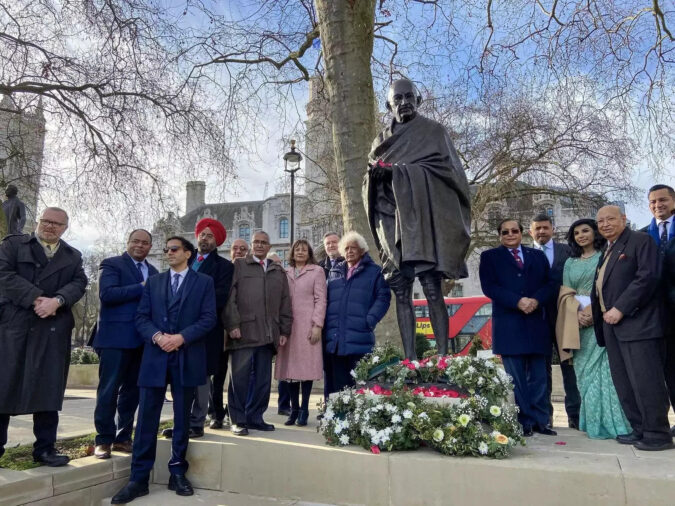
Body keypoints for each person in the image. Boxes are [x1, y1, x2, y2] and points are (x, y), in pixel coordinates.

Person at [363, 78, 471, 358]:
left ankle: (444, 358)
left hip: (424, 220)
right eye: (397, 99)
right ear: (389, 105)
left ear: (419, 100)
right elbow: (370, 177)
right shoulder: (380, 139)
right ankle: (410, 360)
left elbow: (450, 173)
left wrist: (396, 173)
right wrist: (374, 177)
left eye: (409, 97)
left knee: (432, 288)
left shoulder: (434, 132)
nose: (404, 103)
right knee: (401, 291)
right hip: (389, 218)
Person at [111, 236, 216, 503]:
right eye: (166, 249)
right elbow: (141, 317)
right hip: (155, 357)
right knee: (146, 418)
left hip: (187, 356)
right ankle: (138, 479)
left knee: (182, 419)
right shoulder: (154, 282)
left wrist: (181, 338)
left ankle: (177, 473)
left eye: (174, 249)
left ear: (188, 253)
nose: (168, 253)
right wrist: (158, 337)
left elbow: (208, 318)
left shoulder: (204, 282)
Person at [0, 207, 87, 466]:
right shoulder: (13, 245)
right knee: (4, 386)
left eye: (57, 223)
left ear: (65, 228)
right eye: (47, 221)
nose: (50, 226)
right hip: (14, 326)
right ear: (38, 221)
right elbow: (4, 274)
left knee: (48, 390)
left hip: (52, 328)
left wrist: (57, 301)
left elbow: (79, 283)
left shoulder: (73, 256)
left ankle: (45, 449)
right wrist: (37, 299)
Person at [591, 205, 673, 451]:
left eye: (610, 219)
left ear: (624, 219)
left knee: (646, 381)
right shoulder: (608, 249)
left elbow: (648, 277)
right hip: (612, 328)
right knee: (625, 383)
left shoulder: (640, 241)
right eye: (600, 221)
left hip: (638, 325)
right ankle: (640, 428)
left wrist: (621, 308)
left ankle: (657, 433)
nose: (605, 224)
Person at [479, 219, 557, 437]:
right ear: (499, 235)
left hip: (536, 323)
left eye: (514, 231)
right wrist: (518, 301)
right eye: (505, 232)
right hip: (509, 324)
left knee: (539, 377)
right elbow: (489, 287)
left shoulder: (537, 256)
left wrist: (535, 300)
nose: (510, 234)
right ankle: (524, 422)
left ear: (522, 233)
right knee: (516, 380)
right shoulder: (490, 257)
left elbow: (551, 283)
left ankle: (542, 421)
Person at [557, 219, 630, 439]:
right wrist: (577, 314)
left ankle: (616, 424)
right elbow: (566, 293)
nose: (581, 235)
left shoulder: (606, 255)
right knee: (584, 377)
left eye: (586, 230)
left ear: (595, 232)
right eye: (577, 232)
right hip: (578, 326)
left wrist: (593, 311)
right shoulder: (570, 263)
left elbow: (613, 286)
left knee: (608, 375)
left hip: (602, 323)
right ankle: (593, 425)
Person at [160, 219, 233, 439]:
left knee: (201, 378)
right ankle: (180, 422)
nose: (205, 238)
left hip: (205, 330)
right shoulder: (184, 261)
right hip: (176, 331)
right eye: (203, 234)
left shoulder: (225, 267)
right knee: (179, 378)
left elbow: (219, 298)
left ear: (217, 241)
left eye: (210, 236)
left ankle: (197, 421)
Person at [92, 229, 158, 459]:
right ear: (128, 242)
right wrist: (142, 286)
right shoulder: (111, 264)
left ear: (150, 246)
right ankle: (103, 440)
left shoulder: (154, 271)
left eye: (145, 243)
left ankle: (123, 438)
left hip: (142, 341)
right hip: (115, 338)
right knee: (108, 391)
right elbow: (107, 294)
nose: (140, 246)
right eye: (136, 241)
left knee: (132, 392)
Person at [223, 231, 292, 436]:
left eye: (264, 242)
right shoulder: (239, 265)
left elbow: (285, 303)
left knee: (263, 381)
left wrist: (284, 330)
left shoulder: (277, 272)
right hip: (243, 332)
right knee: (239, 379)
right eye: (257, 242)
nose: (260, 245)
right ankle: (238, 420)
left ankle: (255, 417)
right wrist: (232, 324)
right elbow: (229, 298)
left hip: (268, 334)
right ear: (252, 245)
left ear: (269, 247)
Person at [529, 214, 581, 429]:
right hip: (536, 319)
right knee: (541, 370)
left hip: (564, 316)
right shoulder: (525, 254)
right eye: (537, 229)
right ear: (530, 232)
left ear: (552, 229)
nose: (541, 232)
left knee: (569, 367)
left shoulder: (568, 251)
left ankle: (575, 416)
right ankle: (545, 417)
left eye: (545, 227)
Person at [324, 231, 391, 394]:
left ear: (362, 250)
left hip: (359, 337)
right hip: (336, 340)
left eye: (354, 248)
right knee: (338, 387)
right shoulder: (334, 272)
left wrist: (370, 319)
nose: (349, 251)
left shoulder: (374, 271)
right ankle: (338, 417)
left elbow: (383, 297)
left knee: (358, 385)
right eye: (346, 248)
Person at [275, 239, 327, 426]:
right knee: (290, 370)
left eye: (304, 249)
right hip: (288, 327)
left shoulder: (317, 271)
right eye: (297, 249)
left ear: (309, 253)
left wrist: (317, 325)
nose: (301, 252)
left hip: (307, 325)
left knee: (305, 370)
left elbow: (321, 299)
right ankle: (293, 409)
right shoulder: (285, 272)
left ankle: (304, 409)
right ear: (292, 252)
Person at [641, 184, 675, 436]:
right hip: (653, 316)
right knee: (663, 372)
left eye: (662, 200)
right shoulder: (643, 236)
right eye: (652, 202)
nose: (657, 205)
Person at [317, 232, 344, 408]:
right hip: (325, 326)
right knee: (328, 369)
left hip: (342, 325)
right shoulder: (319, 268)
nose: (331, 246)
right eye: (328, 243)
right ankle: (329, 406)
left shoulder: (347, 265)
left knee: (343, 369)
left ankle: (343, 406)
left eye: (334, 242)